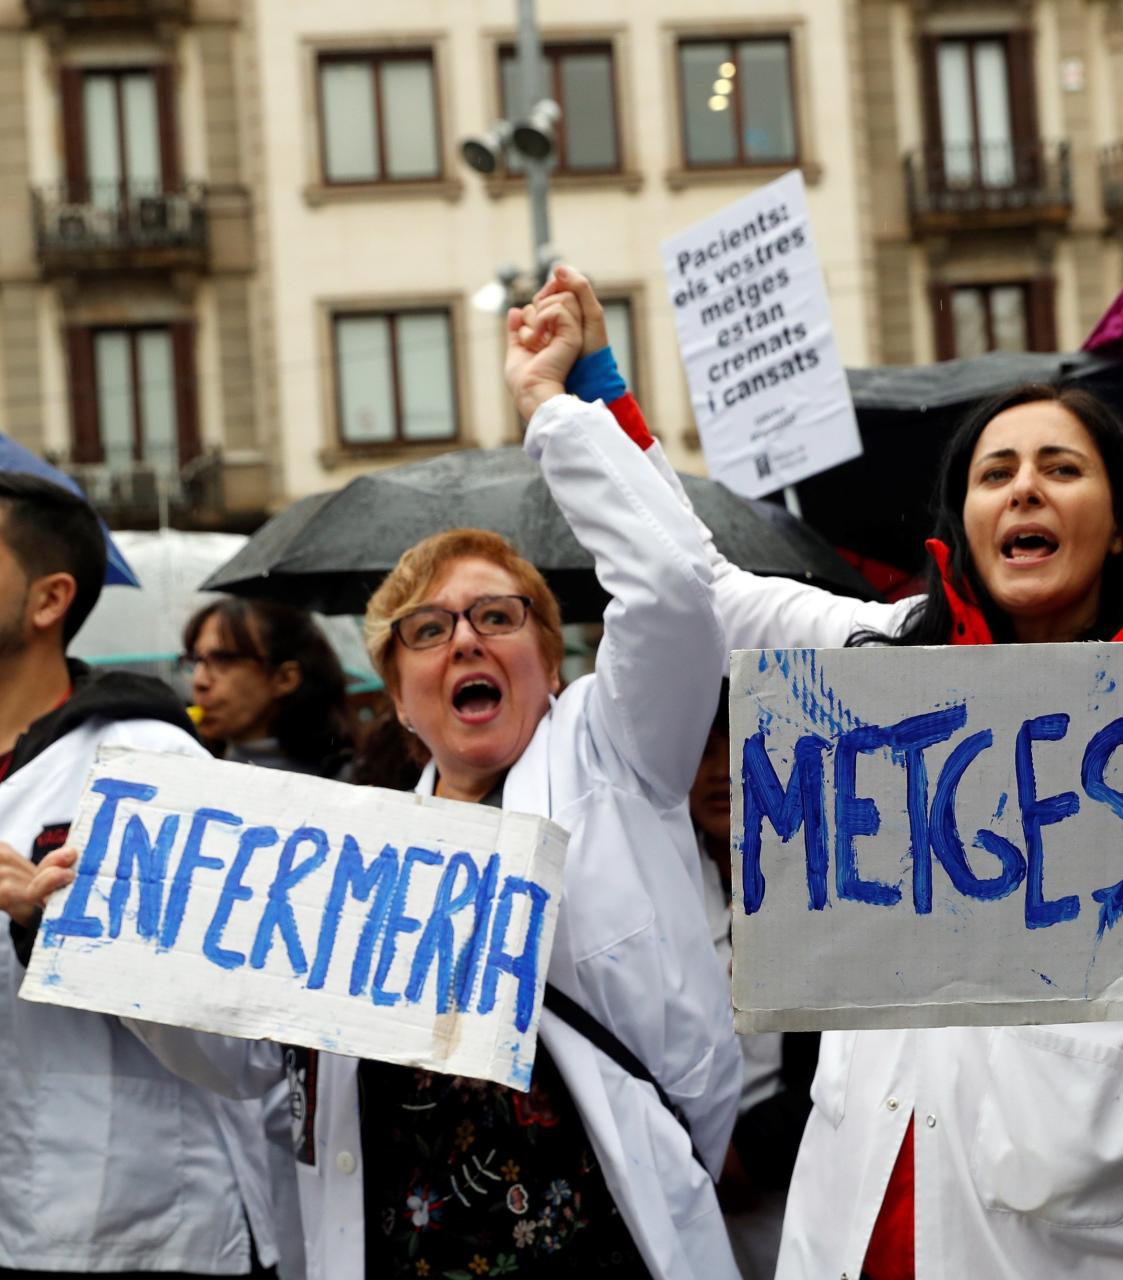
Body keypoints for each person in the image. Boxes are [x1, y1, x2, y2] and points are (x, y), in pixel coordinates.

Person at [518, 267, 1123, 1279]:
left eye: (1059, 468)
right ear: (966, 524)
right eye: (995, 473)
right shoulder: (883, 665)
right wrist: (583, 393)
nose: (1023, 487)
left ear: (1118, 519)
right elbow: (705, 586)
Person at [42, 292, 745, 1280]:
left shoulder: (610, 751)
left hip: (602, 1247)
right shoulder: (350, 845)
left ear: (550, 660)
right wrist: (102, 918)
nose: (463, 636)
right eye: (427, 628)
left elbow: (674, 591)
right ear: (401, 697)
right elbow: (253, 1063)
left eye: (497, 617)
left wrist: (555, 403)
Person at [0, 473, 292, 1280]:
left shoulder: (152, 765)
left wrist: (52, 928)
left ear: (48, 598)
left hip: (139, 1228)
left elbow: (246, 1046)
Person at [689, 686, 819, 1280]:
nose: (720, 773)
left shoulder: (823, 881)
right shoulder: (654, 886)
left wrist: (749, 1154)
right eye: (700, 750)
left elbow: (852, 1053)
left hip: (797, 1192)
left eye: (738, 748)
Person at [181, 597, 355, 778]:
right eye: (196, 660)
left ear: (285, 678)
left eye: (223, 659)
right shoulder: (189, 767)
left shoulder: (349, 784)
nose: (199, 681)